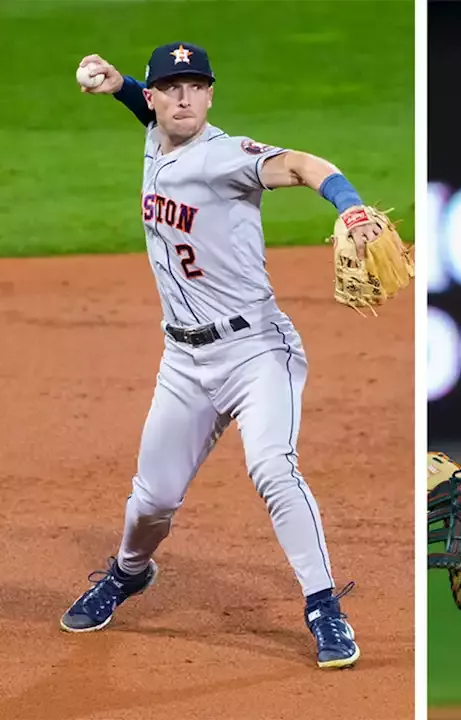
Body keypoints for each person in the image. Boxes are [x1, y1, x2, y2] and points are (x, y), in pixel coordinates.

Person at [60, 42, 381, 670]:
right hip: (182, 364)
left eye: (196, 86)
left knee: (273, 468)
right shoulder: (157, 138)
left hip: (257, 350)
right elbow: (150, 116)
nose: (185, 97)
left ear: (211, 95)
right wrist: (117, 84)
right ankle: (128, 573)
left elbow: (303, 165)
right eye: (170, 87)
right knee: (151, 501)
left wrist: (351, 205)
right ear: (154, 99)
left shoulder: (226, 155)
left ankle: (324, 608)